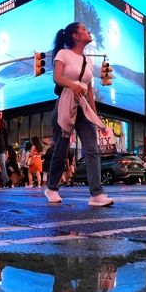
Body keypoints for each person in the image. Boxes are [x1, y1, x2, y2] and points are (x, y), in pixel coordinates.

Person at [44, 22, 114, 207]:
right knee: (61, 149)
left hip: (83, 108)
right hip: (65, 106)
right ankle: (51, 188)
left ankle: (96, 194)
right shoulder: (63, 54)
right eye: (84, 29)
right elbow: (57, 77)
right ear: (75, 35)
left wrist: (96, 117)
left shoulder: (88, 61)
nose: (88, 31)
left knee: (92, 149)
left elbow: (89, 92)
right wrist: (72, 84)